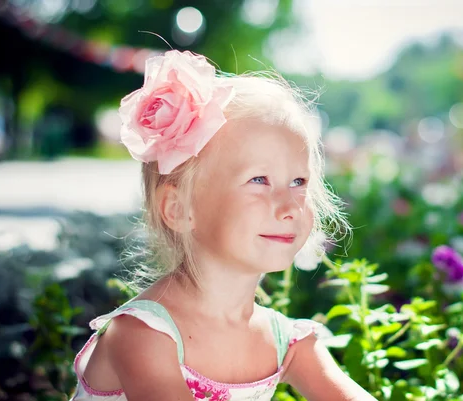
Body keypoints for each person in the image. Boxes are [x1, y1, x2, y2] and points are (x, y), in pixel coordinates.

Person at [70, 49, 375, 401]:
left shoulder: (288, 342)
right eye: (259, 180)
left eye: (299, 182)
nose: (289, 206)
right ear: (179, 208)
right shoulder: (141, 335)